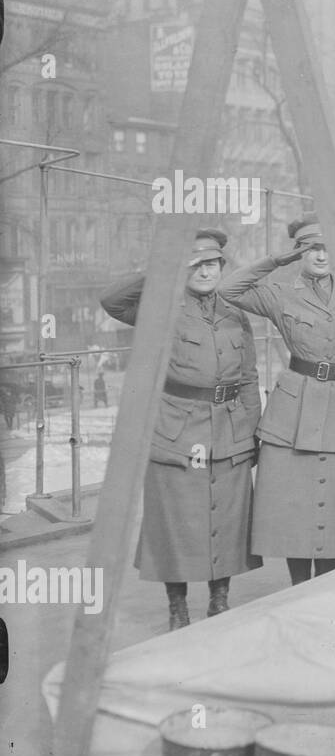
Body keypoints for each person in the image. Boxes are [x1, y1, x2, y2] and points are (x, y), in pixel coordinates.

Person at [100, 229, 261, 629]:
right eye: (196, 264)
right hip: (176, 427)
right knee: (175, 520)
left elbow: (249, 376)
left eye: (212, 263)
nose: (205, 271)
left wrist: (250, 430)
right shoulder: (160, 307)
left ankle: (219, 600)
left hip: (228, 427)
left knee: (223, 518)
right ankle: (177, 607)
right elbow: (112, 301)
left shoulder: (234, 311)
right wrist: (165, 267)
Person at [218, 213, 335, 585]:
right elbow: (228, 290)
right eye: (310, 248)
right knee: (296, 502)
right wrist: (277, 260)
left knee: (334, 500)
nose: (320, 255)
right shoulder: (282, 293)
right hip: (295, 406)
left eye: (326, 247)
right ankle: (299, 587)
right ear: (299, 252)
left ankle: (327, 584)